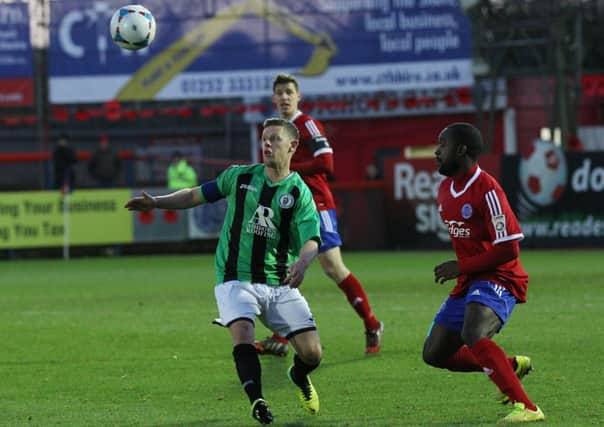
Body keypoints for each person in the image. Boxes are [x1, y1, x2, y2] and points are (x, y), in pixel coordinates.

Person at [125, 118, 323, 425]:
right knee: (243, 333)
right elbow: (194, 195)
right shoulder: (239, 176)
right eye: (264, 139)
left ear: (293, 146)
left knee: (312, 355)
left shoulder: (299, 192)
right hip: (235, 277)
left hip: (278, 283)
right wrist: (157, 202)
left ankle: (298, 375)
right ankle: (257, 399)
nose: (266, 144)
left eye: (274, 139)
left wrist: (302, 263)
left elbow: (312, 238)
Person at [422, 123, 545, 423]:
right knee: (435, 354)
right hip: (470, 279)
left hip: (500, 276)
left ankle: (528, 407)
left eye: (443, 144)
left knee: (473, 332)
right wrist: (463, 270)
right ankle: (509, 365)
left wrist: (460, 265)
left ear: (462, 149)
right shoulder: (444, 189)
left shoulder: (488, 190)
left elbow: (508, 250)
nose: (436, 151)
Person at [255, 73, 383, 356]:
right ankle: (281, 335)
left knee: (332, 268)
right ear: (273, 98)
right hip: (287, 207)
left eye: (289, 91)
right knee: (277, 267)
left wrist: (289, 169)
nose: (285, 96)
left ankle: (372, 323)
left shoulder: (307, 124)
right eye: (280, 92)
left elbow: (326, 162)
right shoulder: (272, 131)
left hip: (317, 205)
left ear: (298, 96)